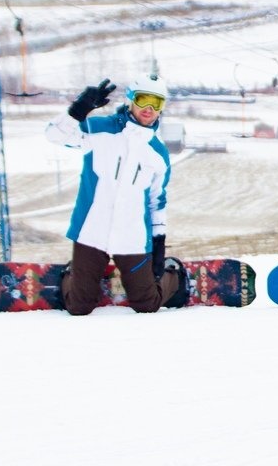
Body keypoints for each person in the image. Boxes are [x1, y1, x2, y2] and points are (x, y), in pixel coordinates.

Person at [45, 73, 184, 315]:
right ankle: (72, 273)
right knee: (79, 307)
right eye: (143, 100)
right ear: (131, 99)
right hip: (91, 230)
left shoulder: (157, 153)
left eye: (157, 103)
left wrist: (159, 243)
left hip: (133, 236)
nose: (149, 108)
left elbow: (156, 201)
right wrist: (79, 109)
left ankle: (176, 273)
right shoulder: (99, 130)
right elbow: (54, 135)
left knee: (147, 304)